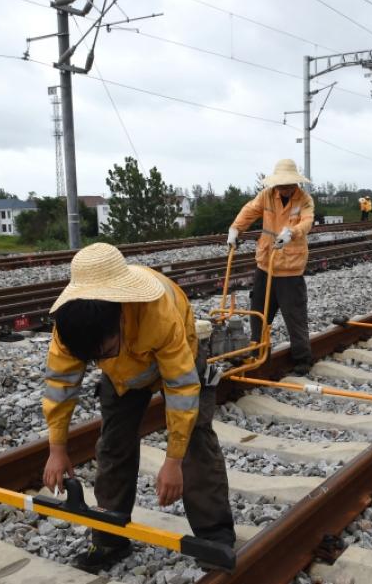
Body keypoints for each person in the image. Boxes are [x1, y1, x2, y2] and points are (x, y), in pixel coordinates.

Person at [42, 243, 235, 571]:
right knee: (113, 445)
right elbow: (60, 385)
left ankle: (215, 538)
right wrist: (57, 448)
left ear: (118, 314)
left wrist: (172, 460)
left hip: (181, 361)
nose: (98, 359)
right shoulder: (71, 325)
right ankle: (109, 537)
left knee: (196, 443)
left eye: (104, 351)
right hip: (123, 379)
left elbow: (181, 386)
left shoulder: (158, 313)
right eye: (93, 358)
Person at [227, 159, 315, 374]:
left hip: (290, 268)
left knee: (294, 314)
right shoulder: (267, 195)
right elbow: (249, 210)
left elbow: (307, 221)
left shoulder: (304, 199)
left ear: (295, 183)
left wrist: (292, 232)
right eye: (281, 184)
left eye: (288, 184)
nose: (284, 188)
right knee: (259, 312)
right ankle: (258, 352)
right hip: (266, 264)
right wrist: (235, 229)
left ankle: (302, 358)